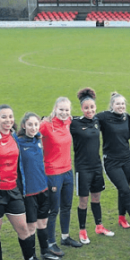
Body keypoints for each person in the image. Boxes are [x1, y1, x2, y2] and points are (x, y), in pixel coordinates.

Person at [0, 105, 42, 260]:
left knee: (23, 228)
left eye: (11, 117)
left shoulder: (14, 137)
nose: (8, 120)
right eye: (4, 117)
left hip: (13, 190)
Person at [71, 88, 114, 245]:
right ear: (82, 108)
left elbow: (113, 115)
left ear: (95, 107)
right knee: (83, 200)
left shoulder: (97, 121)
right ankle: (82, 231)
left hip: (97, 166)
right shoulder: (74, 123)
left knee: (96, 198)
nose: (90, 110)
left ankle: (99, 226)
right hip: (82, 169)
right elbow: (59, 122)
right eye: (86, 108)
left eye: (92, 107)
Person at [18, 113, 62, 260]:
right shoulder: (18, 143)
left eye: (36, 125)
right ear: (23, 126)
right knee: (31, 227)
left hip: (43, 189)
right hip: (29, 193)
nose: (33, 128)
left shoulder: (38, 139)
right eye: (30, 125)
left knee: (42, 223)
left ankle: (45, 252)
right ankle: (32, 258)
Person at [97, 93, 130, 232]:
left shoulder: (126, 118)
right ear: (112, 105)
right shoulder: (103, 117)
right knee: (125, 189)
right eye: (118, 104)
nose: (121, 106)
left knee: (124, 189)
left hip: (127, 159)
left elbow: (127, 135)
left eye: (123, 104)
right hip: (111, 162)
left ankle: (121, 218)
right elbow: (88, 120)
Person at [41, 97, 82, 251]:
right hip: (52, 173)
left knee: (66, 206)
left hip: (67, 171)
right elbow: (30, 133)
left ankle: (65, 237)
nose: (64, 113)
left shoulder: (68, 122)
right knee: (54, 209)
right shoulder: (46, 125)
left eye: (66, 110)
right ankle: (50, 242)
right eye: (61, 110)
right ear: (55, 109)